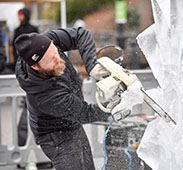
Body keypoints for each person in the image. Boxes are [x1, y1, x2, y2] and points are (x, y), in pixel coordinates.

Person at [14, 27, 115, 170]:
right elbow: (85, 112)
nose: (58, 58)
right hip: (55, 135)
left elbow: (81, 34)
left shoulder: (44, 43)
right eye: (51, 60)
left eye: (55, 50)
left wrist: (91, 66)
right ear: (36, 67)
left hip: (71, 122)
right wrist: (111, 108)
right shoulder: (45, 95)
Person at [12, 7, 38, 148]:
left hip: (33, 68)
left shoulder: (33, 29)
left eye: (21, 15)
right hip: (23, 68)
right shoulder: (17, 30)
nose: (20, 18)